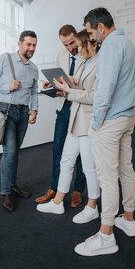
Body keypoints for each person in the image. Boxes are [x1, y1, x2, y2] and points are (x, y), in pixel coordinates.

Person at [74, 7, 135, 256]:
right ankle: (129, 220)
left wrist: (95, 123)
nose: (91, 38)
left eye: (91, 33)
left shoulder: (111, 46)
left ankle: (106, 235)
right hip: (128, 118)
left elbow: (105, 89)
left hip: (110, 121)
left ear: (101, 27)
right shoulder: (130, 46)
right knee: (126, 170)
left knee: (107, 177)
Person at [36, 30, 100, 224]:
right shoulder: (83, 61)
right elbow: (78, 83)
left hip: (88, 121)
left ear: (93, 44)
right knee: (65, 161)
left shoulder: (100, 63)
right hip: (74, 118)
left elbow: (95, 96)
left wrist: (69, 91)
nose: (76, 50)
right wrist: (62, 85)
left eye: (80, 46)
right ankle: (57, 203)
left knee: (89, 167)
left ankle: (92, 207)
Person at [0, 30, 39, 212]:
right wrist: (7, 87)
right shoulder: (4, 59)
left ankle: (13, 185)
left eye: (34, 45)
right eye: (28, 44)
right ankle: (6, 192)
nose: (31, 48)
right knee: (9, 152)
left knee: (15, 152)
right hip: (4, 111)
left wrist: (34, 109)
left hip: (23, 113)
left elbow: (33, 92)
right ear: (20, 44)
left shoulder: (34, 68)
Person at [35, 25, 87, 207]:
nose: (70, 47)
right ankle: (54, 188)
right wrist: (53, 86)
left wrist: (72, 86)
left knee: (81, 153)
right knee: (57, 149)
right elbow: (60, 79)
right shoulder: (61, 55)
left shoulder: (87, 52)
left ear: (76, 37)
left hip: (80, 108)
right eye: (65, 44)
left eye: (72, 42)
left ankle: (77, 191)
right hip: (64, 107)